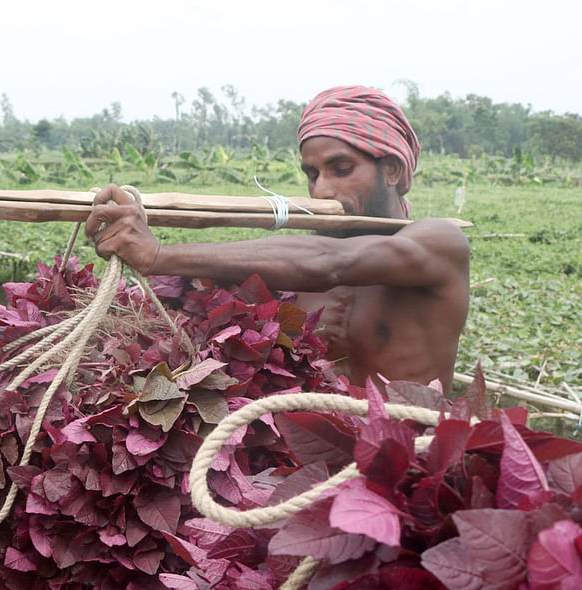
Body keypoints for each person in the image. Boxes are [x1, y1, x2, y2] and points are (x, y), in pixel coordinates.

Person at [86, 85, 470, 393]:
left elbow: (330, 262)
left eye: (341, 169)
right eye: (312, 174)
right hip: (313, 455)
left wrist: (158, 256)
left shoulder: (438, 243)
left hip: (409, 461)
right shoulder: (293, 261)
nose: (321, 191)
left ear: (393, 170)